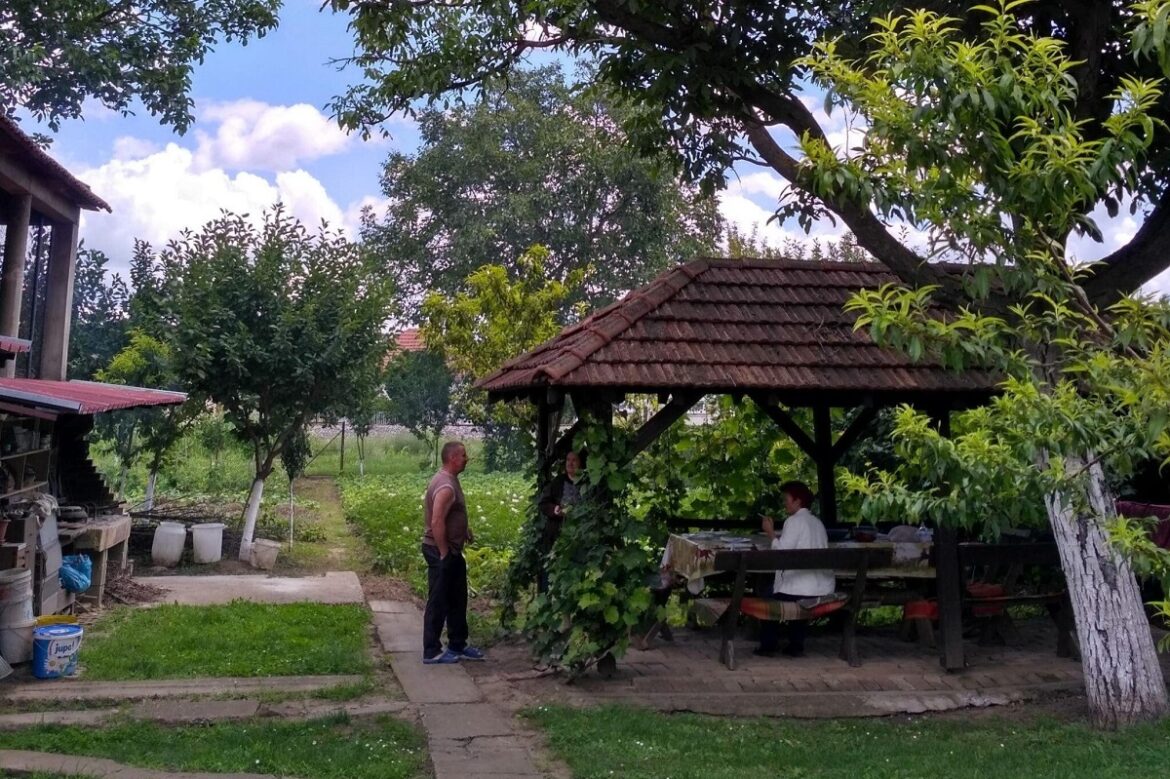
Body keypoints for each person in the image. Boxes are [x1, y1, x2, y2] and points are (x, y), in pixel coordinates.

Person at [420, 441, 486, 664]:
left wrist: (463, 529)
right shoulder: (446, 486)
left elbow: (448, 516)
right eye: (463, 455)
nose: (467, 458)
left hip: (452, 549)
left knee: (458, 597)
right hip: (440, 550)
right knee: (439, 599)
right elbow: (436, 520)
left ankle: (458, 644)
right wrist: (444, 552)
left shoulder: (449, 480)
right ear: (452, 459)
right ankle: (431, 650)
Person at [754, 480, 834, 658]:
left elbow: (782, 555)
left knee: (767, 596)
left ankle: (768, 645)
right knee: (794, 591)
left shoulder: (793, 521)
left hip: (801, 588)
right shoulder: (817, 522)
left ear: (798, 501)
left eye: (787, 499)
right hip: (821, 587)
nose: (784, 503)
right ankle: (796, 644)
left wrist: (771, 534)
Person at [536, 450, 584, 591]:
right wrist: (556, 510)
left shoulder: (587, 482)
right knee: (555, 571)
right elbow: (543, 503)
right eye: (568, 460)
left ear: (580, 463)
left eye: (574, 460)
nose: (570, 463)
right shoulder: (558, 482)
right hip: (558, 535)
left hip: (580, 536)